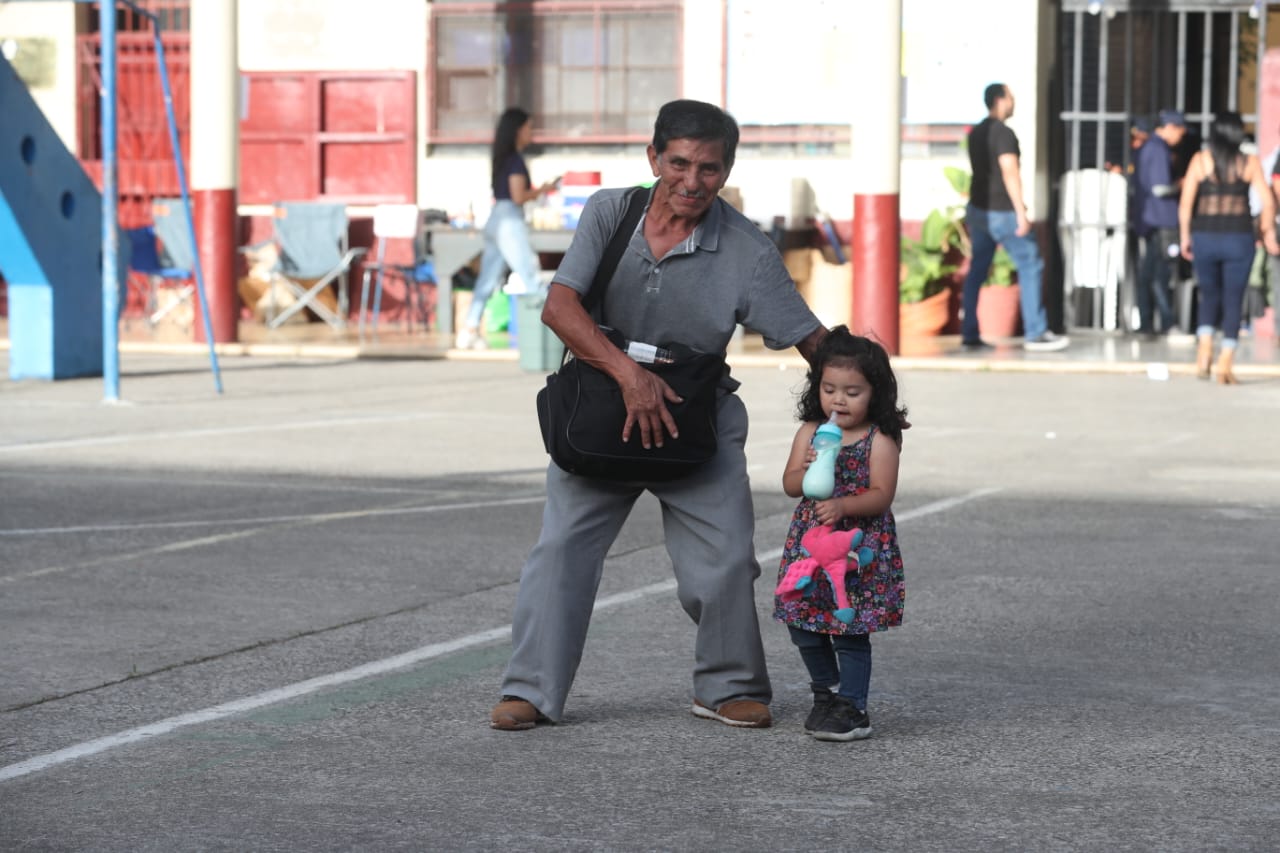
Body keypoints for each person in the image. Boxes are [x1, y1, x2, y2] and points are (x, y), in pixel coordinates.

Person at [489, 100, 827, 731]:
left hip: (696, 415)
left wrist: (868, 396)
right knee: (560, 550)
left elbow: (810, 339)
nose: (692, 181)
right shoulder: (610, 211)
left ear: (725, 172)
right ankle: (530, 691)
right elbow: (560, 308)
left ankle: (727, 688)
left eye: (708, 168)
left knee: (727, 558)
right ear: (654, 158)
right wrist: (629, 377)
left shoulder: (747, 249)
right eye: (678, 163)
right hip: (602, 408)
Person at [773, 328, 906, 742]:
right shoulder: (811, 432)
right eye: (830, 389)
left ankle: (853, 706)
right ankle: (825, 692)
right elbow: (791, 484)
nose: (839, 400)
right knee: (802, 621)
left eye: (853, 391)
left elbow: (882, 495)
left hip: (858, 550)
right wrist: (810, 465)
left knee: (849, 629)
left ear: (875, 394)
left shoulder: (878, 439)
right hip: (810, 547)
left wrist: (845, 506)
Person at [961, 83, 1069, 352]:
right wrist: (1021, 212)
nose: (1014, 101)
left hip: (978, 210)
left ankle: (969, 332)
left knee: (977, 270)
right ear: (1000, 100)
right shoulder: (1004, 134)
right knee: (1031, 263)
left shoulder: (976, 133)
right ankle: (1036, 332)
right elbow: (1010, 172)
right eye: (1010, 97)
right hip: (1002, 212)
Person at [1178, 111, 1279, 383]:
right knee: (1234, 299)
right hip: (1239, 238)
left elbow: (1186, 205)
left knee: (1208, 295)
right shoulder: (1249, 163)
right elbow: (1268, 202)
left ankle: (1204, 351)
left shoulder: (1200, 161)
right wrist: (1265, 230)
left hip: (1205, 237)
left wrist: (1186, 237)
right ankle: (1225, 363)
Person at [456, 107, 560, 350]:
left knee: (487, 278)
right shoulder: (515, 160)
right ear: (518, 130)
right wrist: (543, 190)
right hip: (509, 222)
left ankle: (469, 329)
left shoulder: (503, 158)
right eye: (528, 127)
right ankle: (543, 338)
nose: (531, 132)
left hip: (496, 219)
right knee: (530, 275)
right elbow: (518, 196)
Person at [1132, 109, 1188, 337]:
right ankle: (1165, 322)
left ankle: (1147, 322)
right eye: (1181, 131)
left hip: (1151, 219)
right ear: (1171, 128)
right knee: (1160, 274)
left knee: (1150, 273)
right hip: (1160, 220)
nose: (1181, 137)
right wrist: (1181, 184)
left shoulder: (1151, 148)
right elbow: (1159, 188)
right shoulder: (1157, 149)